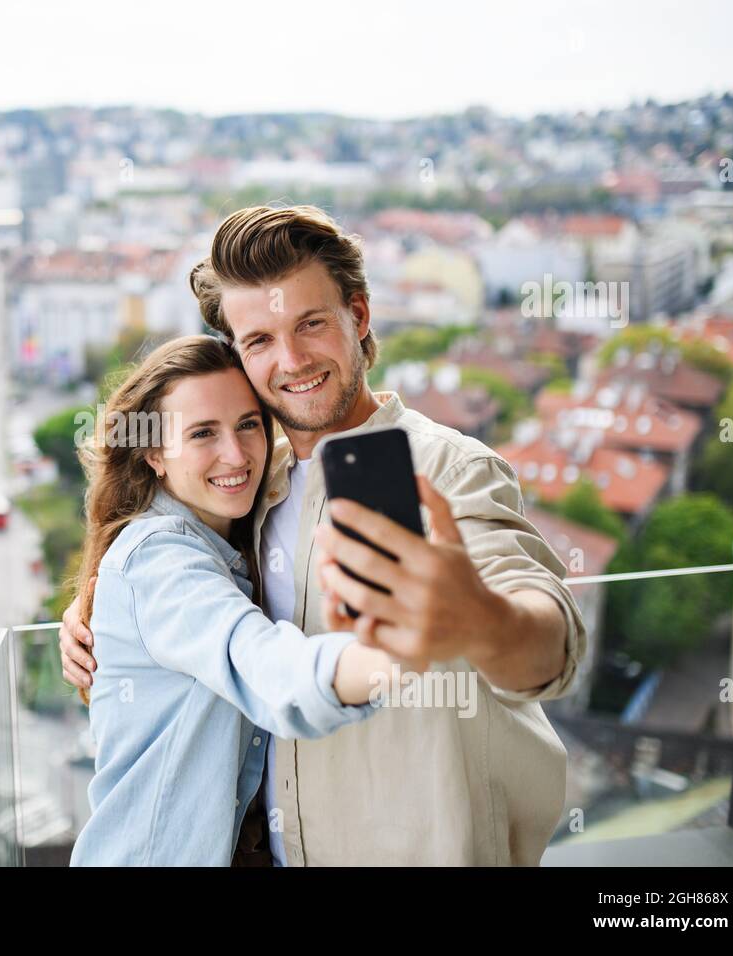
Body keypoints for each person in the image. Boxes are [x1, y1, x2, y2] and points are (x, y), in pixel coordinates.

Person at [63, 205, 588, 866]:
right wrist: (102, 610)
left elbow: (551, 645)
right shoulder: (256, 485)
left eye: (311, 323)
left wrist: (478, 618)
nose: (291, 359)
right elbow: (221, 634)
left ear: (358, 318)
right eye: (259, 340)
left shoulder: (450, 471)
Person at [67, 334, 399, 866]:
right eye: (202, 433)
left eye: (248, 424)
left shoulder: (227, 540)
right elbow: (256, 660)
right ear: (154, 453)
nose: (236, 454)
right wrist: (387, 658)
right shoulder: (158, 560)